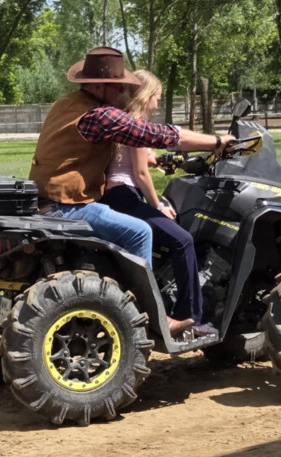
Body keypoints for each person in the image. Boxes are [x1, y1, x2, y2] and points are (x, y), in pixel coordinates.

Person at [28, 46, 233, 335]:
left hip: (44, 198)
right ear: (100, 85)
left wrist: (158, 160)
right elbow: (157, 135)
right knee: (140, 232)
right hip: (67, 204)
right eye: (118, 86)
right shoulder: (99, 114)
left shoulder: (65, 105)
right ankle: (148, 319)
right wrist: (216, 141)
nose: (123, 92)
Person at [100, 70, 215, 337]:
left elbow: (144, 159)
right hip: (124, 196)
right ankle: (190, 317)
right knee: (183, 240)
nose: (157, 103)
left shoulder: (121, 120)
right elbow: (140, 173)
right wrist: (157, 205)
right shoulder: (137, 122)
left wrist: (163, 161)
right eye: (157, 98)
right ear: (147, 95)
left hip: (114, 196)